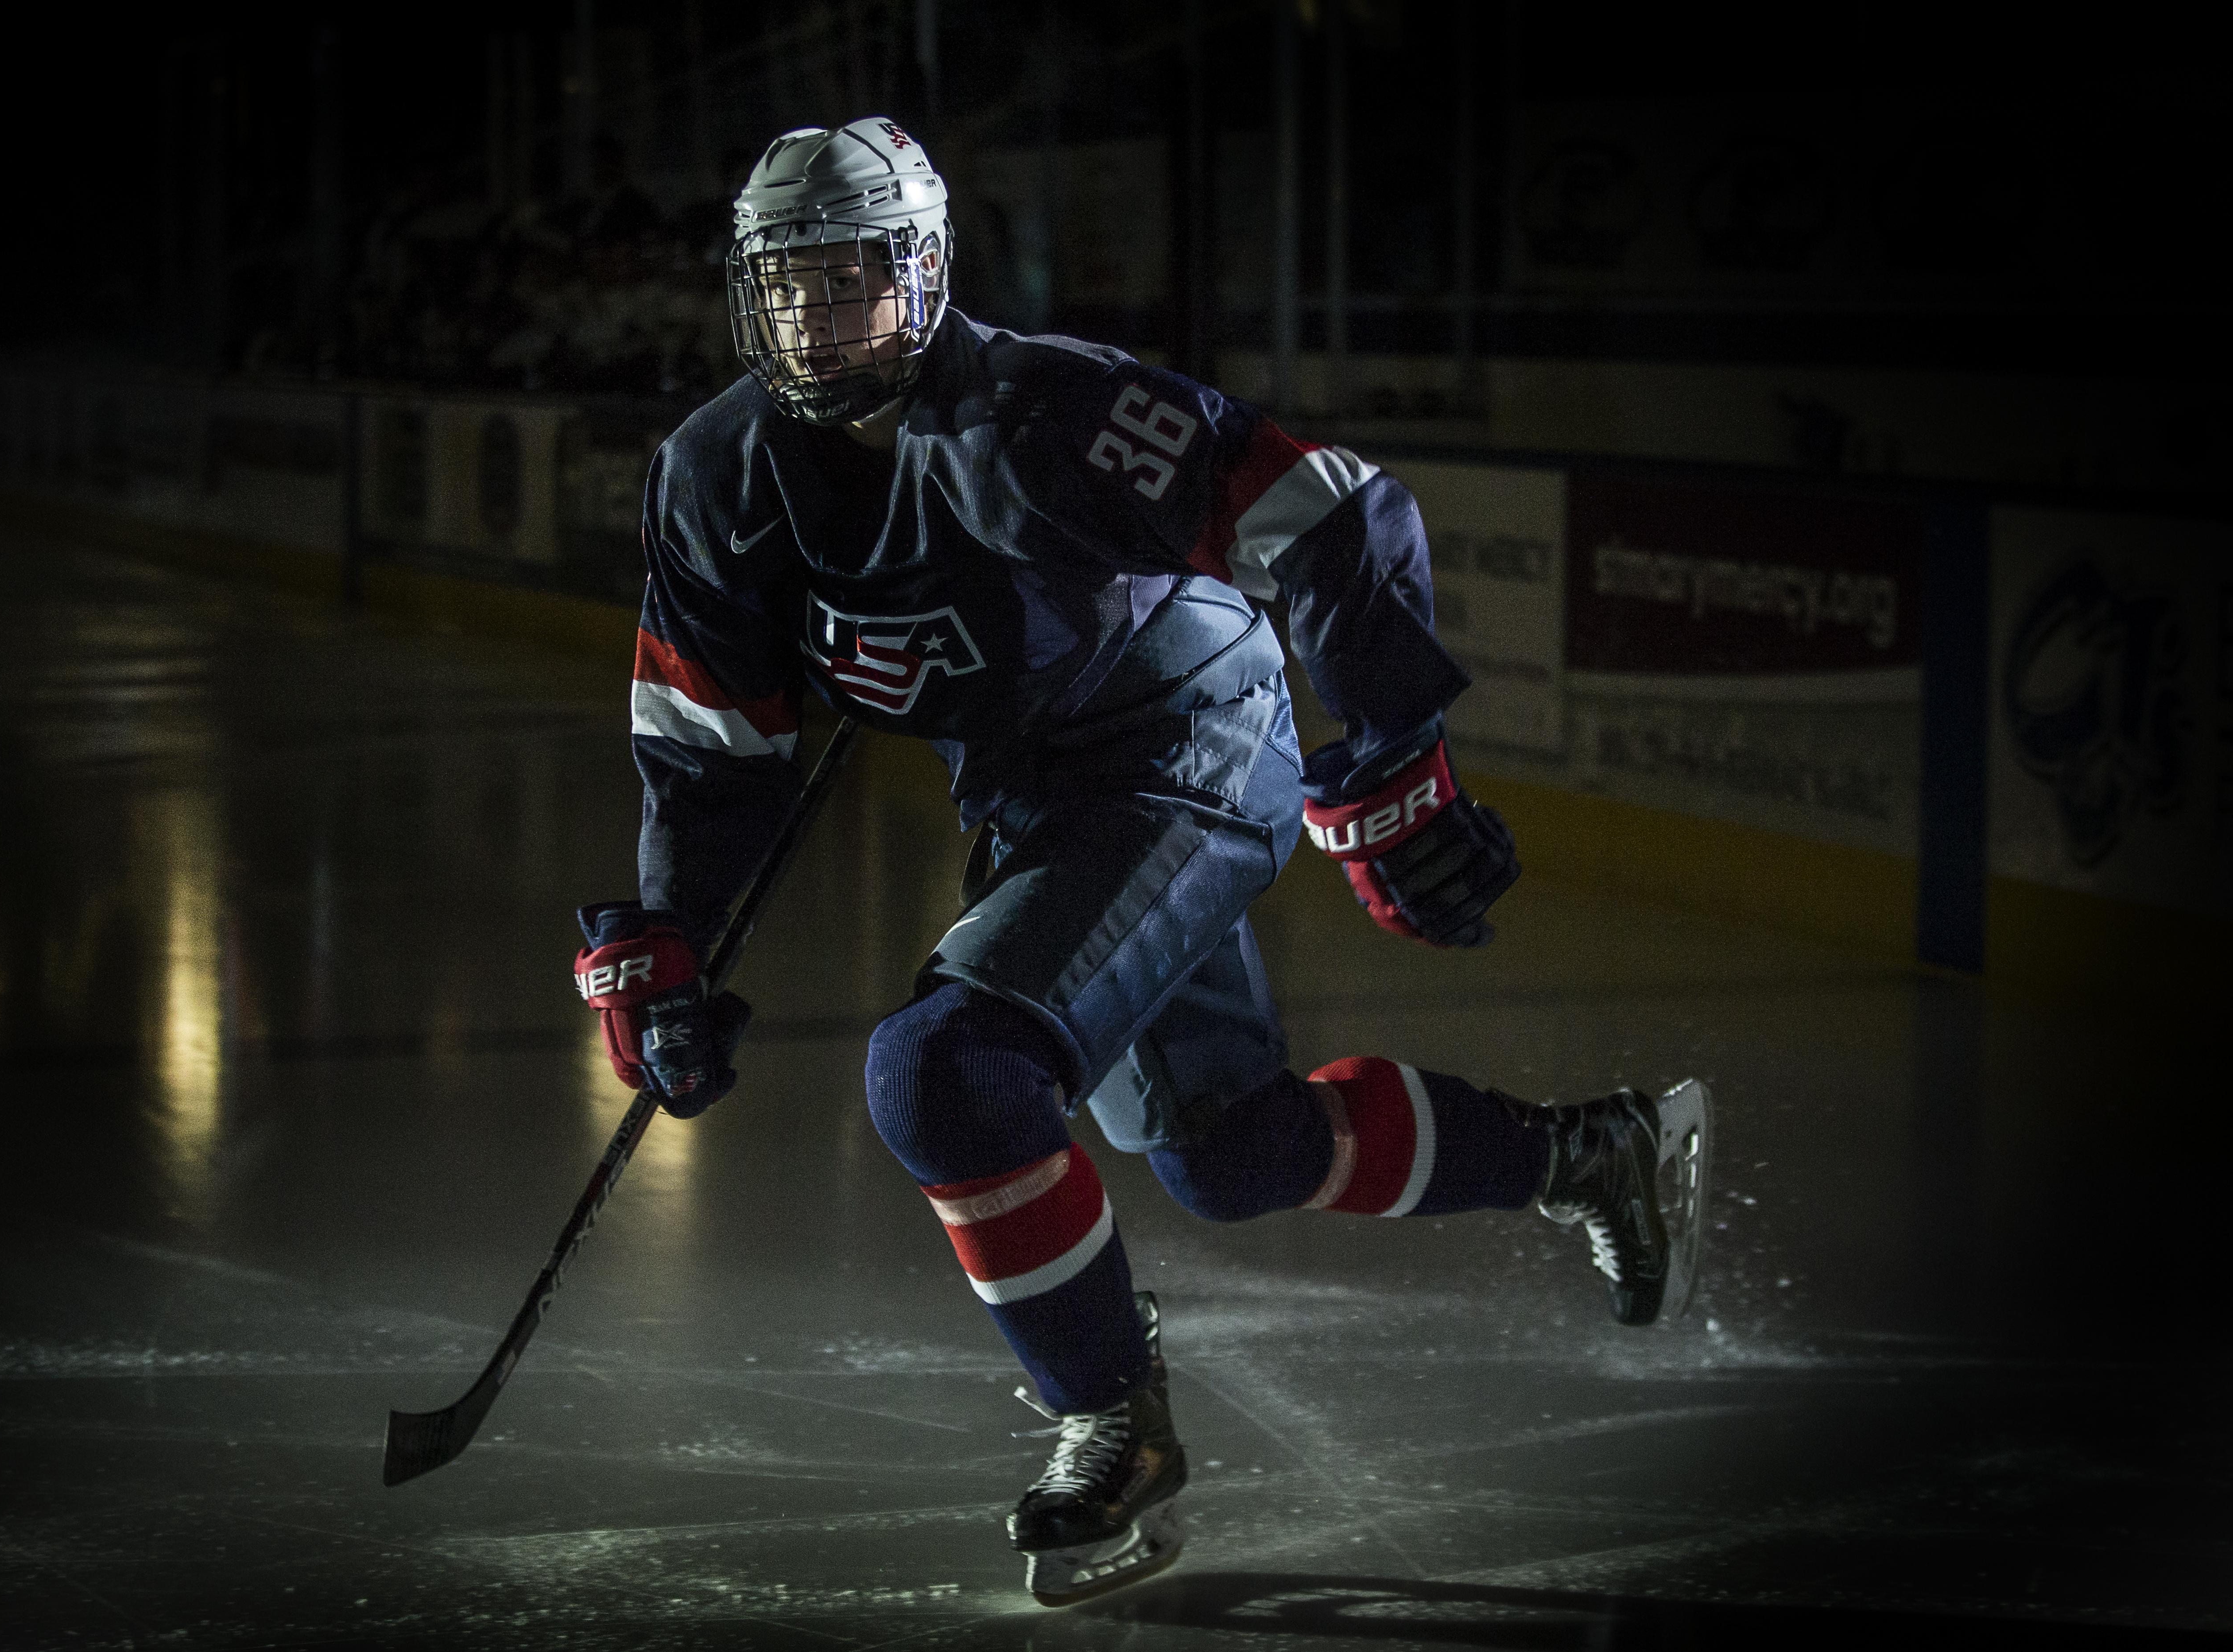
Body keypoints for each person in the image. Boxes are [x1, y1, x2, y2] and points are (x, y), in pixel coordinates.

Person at [574, 119, 1700, 1607]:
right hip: (1047, 796)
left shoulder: (1039, 410)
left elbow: (1330, 503)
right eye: (791, 286)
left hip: (1190, 746)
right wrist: (667, 937)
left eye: (855, 280)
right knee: (1229, 1155)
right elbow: (710, 742)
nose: (821, 318)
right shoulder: (716, 475)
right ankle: (1593, 1154)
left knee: (944, 1073)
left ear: (925, 273)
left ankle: (1114, 1420)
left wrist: (1393, 765)